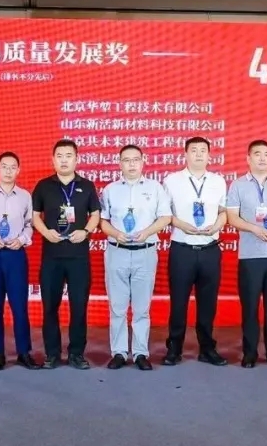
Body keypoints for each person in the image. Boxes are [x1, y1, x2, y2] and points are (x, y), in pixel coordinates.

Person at [99, 144, 171, 371]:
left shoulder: (155, 188)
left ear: (143, 161)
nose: (131, 164)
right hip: (117, 251)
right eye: (126, 160)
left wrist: (147, 232)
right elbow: (102, 221)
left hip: (145, 252)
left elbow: (165, 217)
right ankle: (119, 352)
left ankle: (140, 352)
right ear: (119, 163)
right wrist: (115, 233)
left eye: (135, 160)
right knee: (117, 307)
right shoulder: (110, 190)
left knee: (141, 308)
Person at [225, 140, 267, 369]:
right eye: (257, 154)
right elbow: (232, 217)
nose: (263, 158)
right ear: (248, 158)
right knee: (250, 306)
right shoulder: (237, 185)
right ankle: (250, 352)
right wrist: (255, 229)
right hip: (250, 255)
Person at [32, 139, 101, 369]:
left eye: (68, 155)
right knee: (50, 307)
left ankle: (76, 354)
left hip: (78, 257)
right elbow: (34, 216)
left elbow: (95, 214)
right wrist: (46, 232)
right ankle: (52, 354)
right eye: (59, 156)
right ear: (53, 159)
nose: (64, 160)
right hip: (52, 257)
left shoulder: (87, 186)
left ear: (76, 159)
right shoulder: (43, 186)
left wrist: (86, 231)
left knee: (79, 307)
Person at [162, 137, 228, 367]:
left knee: (208, 303)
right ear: (185, 154)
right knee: (178, 302)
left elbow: (223, 211)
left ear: (209, 155)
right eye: (194, 150)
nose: (199, 154)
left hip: (210, 249)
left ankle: (207, 348)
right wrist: (182, 225)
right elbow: (165, 214)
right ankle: (174, 348)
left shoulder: (218, 181)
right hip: (183, 249)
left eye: (203, 151)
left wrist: (217, 225)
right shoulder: (171, 181)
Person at [0, 151, 40, 370]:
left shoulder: (25, 196)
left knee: (19, 305)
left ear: (18, 170)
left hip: (16, 254)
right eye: (4, 166)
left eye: (12, 167)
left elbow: (30, 224)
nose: (8, 171)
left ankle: (24, 352)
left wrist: (22, 240)